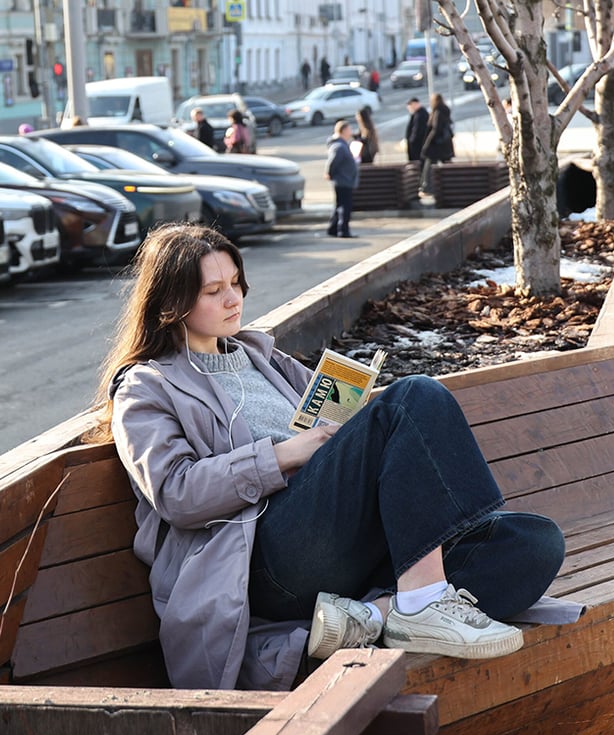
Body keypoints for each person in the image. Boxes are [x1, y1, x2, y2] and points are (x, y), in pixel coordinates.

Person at [91, 223, 565, 690]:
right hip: (263, 559)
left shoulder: (263, 359)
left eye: (235, 283)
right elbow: (176, 494)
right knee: (413, 397)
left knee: (534, 543)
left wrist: (350, 432)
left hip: (340, 546)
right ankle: (422, 603)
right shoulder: (146, 387)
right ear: (172, 303)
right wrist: (282, 455)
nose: (233, 299)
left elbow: (338, 436)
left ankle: (374, 613)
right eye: (213, 291)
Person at [326, 120, 359, 238]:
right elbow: (333, 162)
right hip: (343, 180)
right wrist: (329, 173)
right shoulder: (339, 146)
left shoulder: (343, 144)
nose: (351, 132)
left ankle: (333, 228)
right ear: (343, 130)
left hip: (345, 179)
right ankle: (343, 230)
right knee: (345, 207)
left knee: (340, 205)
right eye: (349, 129)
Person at [420, 93, 454, 195]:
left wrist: (427, 144)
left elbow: (435, 129)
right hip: (445, 144)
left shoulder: (437, 112)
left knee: (429, 166)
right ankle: (450, 186)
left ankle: (427, 188)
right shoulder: (445, 111)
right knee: (446, 165)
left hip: (436, 145)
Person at [405, 97, 429, 164]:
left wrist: (412, 141)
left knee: (417, 163)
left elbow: (417, 131)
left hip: (417, 146)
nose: (409, 109)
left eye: (410, 106)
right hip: (417, 145)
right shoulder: (417, 114)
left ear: (415, 104)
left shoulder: (420, 115)